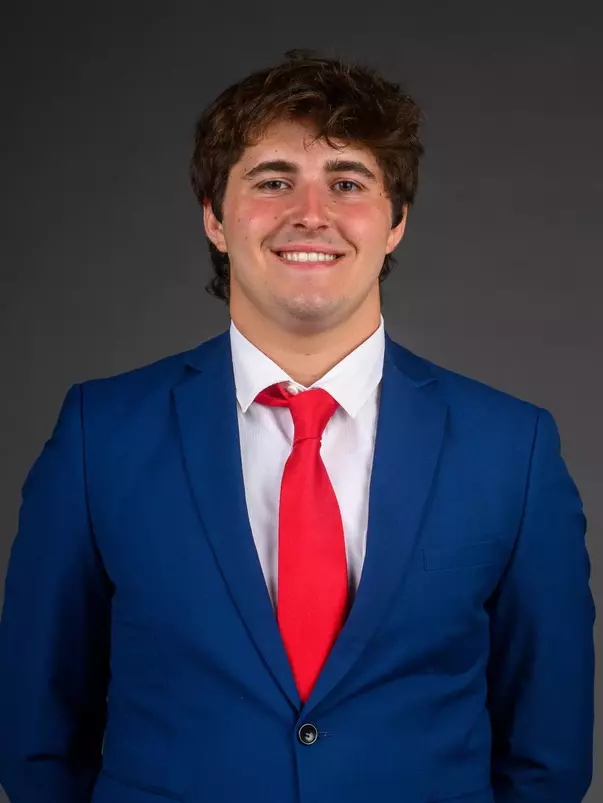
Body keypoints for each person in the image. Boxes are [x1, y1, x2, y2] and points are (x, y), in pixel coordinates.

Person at [0, 49, 595, 803]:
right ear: (215, 217)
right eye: (273, 180)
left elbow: (548, 756)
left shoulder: (512, 450)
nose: (309, 212)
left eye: (346, 182)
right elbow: (37, 739)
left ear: (395, 222)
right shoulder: (99, 436)